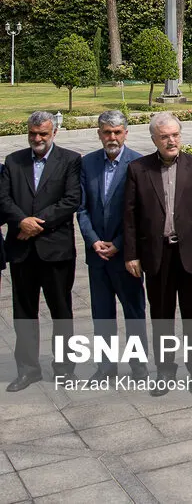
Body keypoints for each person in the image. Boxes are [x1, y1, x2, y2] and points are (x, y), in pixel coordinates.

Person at [123, 112, 192, 395]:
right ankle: (165, 370)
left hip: (191, 255)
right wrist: (131, 254)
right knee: (162, 317)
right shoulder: (138, 169)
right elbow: (130, 216)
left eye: (175, 135)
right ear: (154, 140)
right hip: (157, 255)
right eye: (164, 137)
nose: (171, 141)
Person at [0, 111, 82, 392]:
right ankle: (28, 370)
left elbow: (71, 200)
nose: (37, 138)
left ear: (54, 133)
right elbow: (3, 199)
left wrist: (35, 225)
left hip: (56, 250)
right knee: (24, 313)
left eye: (43, 134)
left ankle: (65, 369)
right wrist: (21, 221)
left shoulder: (70, 160)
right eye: (32, 133)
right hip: (21, 250)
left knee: (61, 311)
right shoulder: (13, 161)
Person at [77, 110, 148, 382]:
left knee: (134, 313)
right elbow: (82, 209)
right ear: (99, 134)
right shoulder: (87, 163)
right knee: (102, 315)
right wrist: (93, 240)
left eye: (117, 132)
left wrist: (118, 244)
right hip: (97, 256)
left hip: (126, 255)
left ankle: (138, 367)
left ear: (126, 133)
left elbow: (141, 212)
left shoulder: (138, 164)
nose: (112, 137)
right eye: (107, 132)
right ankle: (106, 367)